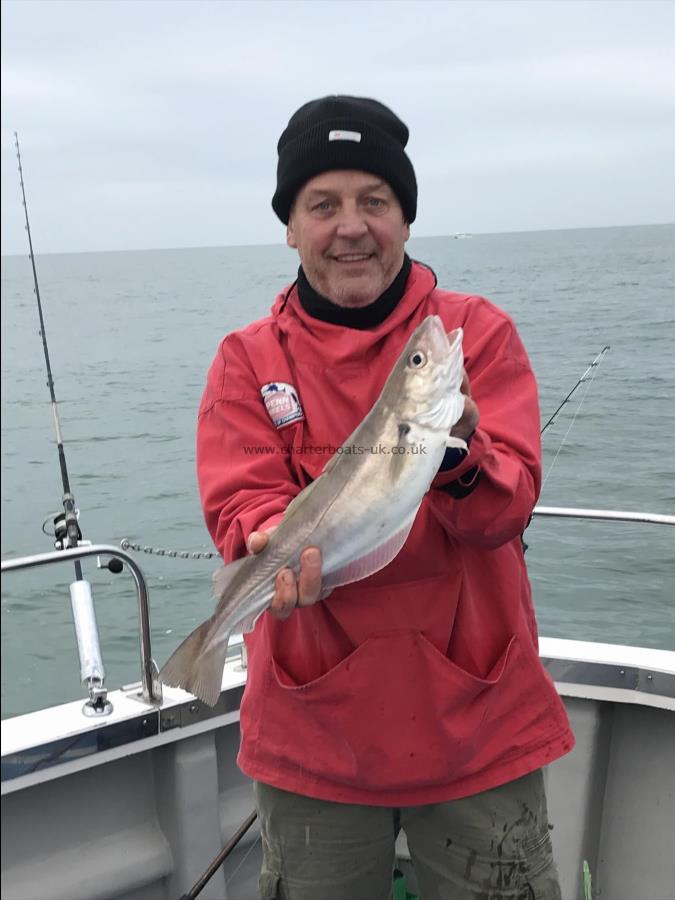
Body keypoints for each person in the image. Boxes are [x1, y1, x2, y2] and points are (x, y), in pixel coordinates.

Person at [196, 95, 574, 900]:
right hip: (314, 728)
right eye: (322, 205)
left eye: (375, 201)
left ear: (405, 218)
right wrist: (268, 544)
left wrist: (459, 456)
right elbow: (242, 501)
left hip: (476, 716)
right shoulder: (247, 359)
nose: (351, 226)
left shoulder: (476, 331)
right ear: (289, 227)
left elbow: (508, 507)